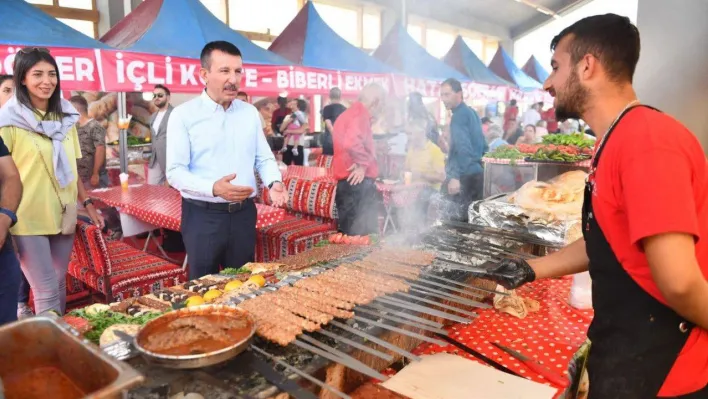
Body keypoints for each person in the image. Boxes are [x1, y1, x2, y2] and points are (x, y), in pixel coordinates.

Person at [487, 14, 708, 398]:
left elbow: (681, 283)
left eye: (556, 67)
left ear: (587, 66)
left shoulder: (646, 140)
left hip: (664, 370)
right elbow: (606, 241)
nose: (548, 82)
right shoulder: (614, 141)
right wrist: (528, 268)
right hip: (626, 354)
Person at [166, 41, 287, 280]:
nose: (233, 79)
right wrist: (213, 188)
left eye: (238, 71)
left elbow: (263, 158)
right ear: (204, 74)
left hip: (243, 214)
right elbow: (175, 172)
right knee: (204, 287)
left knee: (243, 283)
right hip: (203, 216)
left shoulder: (249, 113)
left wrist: (274, 182)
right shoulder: (183, 115)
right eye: (224, 71)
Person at [0, 47, 104, 316]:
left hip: (64, 212)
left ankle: (56, 340)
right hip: (27, 217)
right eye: (37, 74)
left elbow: (71, 169)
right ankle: (52, 352)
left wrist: (88, 203)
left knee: (58, 282)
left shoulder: (66, 117)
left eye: (52, 74)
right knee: (45, 288)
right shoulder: (7, 122)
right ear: (22, 78)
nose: (46, 81)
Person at [332, 83, 387, 236]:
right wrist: (362, 165)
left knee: (349, 235)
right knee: (365, 236)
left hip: (347, 185)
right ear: (376, 102)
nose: (382, 108)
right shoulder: (360, 113)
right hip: (358, 185)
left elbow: (349, 143)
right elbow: (352, 142)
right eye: (382, 103)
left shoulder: (347, 114)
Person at [439, 78, 487, 221]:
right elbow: (484, 145)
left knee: (456, 226)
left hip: (464, 178)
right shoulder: (471, 113)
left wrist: (455, 177)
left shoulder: (459, 116)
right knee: (472, 224)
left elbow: (463, 149)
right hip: (477, 176)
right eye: (442, 95)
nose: (443, 99)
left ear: (459, 94)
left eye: (447, 94)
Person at [69, 95, 109, 188]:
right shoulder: (75, 127)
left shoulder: (95, 126)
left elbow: (100, 149)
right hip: (79, 178)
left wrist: (95, 173)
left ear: (75, 110)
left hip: (92, 178)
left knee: (94, 201)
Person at [147, 84, 173, 186]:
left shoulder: (176, 113)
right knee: (152, 188)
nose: (156, 98)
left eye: (160, 95)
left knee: (172, 192)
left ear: (168, 97)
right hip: (155, 158)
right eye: (154, 96)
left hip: (170, 159)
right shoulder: (152, 116)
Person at [280, 98, 309, 166]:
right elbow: (281, 129)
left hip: (298, 145)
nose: (291, 106)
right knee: (285, 167)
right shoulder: (288, 116)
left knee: (299, 168)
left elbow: (301, 131)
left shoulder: (303, 117)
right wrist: (291, 119)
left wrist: (288, 131)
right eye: (291, 104)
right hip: (287, 145)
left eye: (294, 104)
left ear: (299, 106)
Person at [321, 87, 346, 156]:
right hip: (342, 141)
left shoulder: (327, 108)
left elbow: (329, 125)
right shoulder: (345, 109)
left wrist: (335, 136)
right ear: (340, 96)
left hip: (329, 142)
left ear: (330, 96)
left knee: (328, 163)